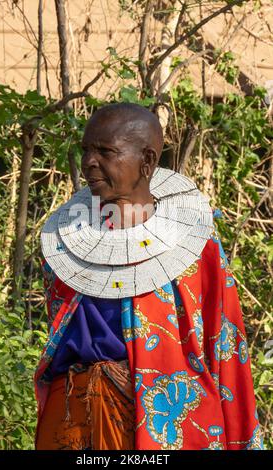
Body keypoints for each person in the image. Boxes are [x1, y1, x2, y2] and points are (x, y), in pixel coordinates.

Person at [34, 103, 264, 450]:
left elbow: (227, 352)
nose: (88, 163)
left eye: (105, 151)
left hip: (164, 423)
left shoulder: (195, 247)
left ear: (147, 161)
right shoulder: (64, 244)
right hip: (72, 422)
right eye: (86, 150)